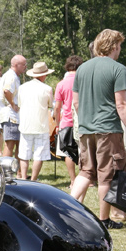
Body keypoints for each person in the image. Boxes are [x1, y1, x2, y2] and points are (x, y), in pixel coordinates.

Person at [71, 29, 126, 230]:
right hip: (108, 129)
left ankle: (65, 210)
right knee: (106, 175)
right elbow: (121, 105)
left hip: (85, 128)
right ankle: (104, 219)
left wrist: (87, 119)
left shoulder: (82, 68)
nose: (119, 50)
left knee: (85, 171)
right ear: (114, 46)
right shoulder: (118, 69)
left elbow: (76, 102)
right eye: (119, 46)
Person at [17, 61, 55, 181]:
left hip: (25, 124)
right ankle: (33, 179)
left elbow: (19, 104)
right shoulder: (47, 89)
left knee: (24, 153)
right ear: (43, 75)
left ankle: (23, 177)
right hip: (41, 125)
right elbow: (50, 105)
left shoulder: (22, 88)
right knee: (39, 154)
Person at [53, 55, 83, 185]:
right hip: (82, 120)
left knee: (69, 152)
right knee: (84, 151)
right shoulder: (83, 81)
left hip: (66, 121)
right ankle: (87, 178)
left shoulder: (61, 84)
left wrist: (57, 124)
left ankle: (73, 180)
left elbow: (57, 107)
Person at [0, 55, 27, 158]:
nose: (25, 67)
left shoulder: (13, 76)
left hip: (12, 116)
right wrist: (13, 104)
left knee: (16, 143)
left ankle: (18, 171)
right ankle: (7, 171)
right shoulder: (11, 76)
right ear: (16, 65)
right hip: (10, 115)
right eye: (24, 64)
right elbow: (6, 91)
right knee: (10, 144)